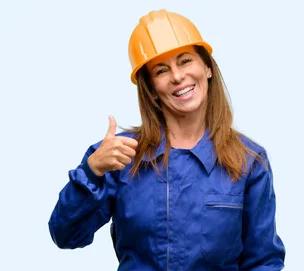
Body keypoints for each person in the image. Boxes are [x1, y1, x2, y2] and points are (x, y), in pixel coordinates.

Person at [48, 9, 286, 271]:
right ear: (150, 87)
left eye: (185, 61)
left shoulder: (248, 162)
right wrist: (91, 172)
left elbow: (263, 261)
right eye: (161, 70)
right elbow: (66, 236)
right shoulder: (120, 156)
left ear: (207, 67)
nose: (177, 76)